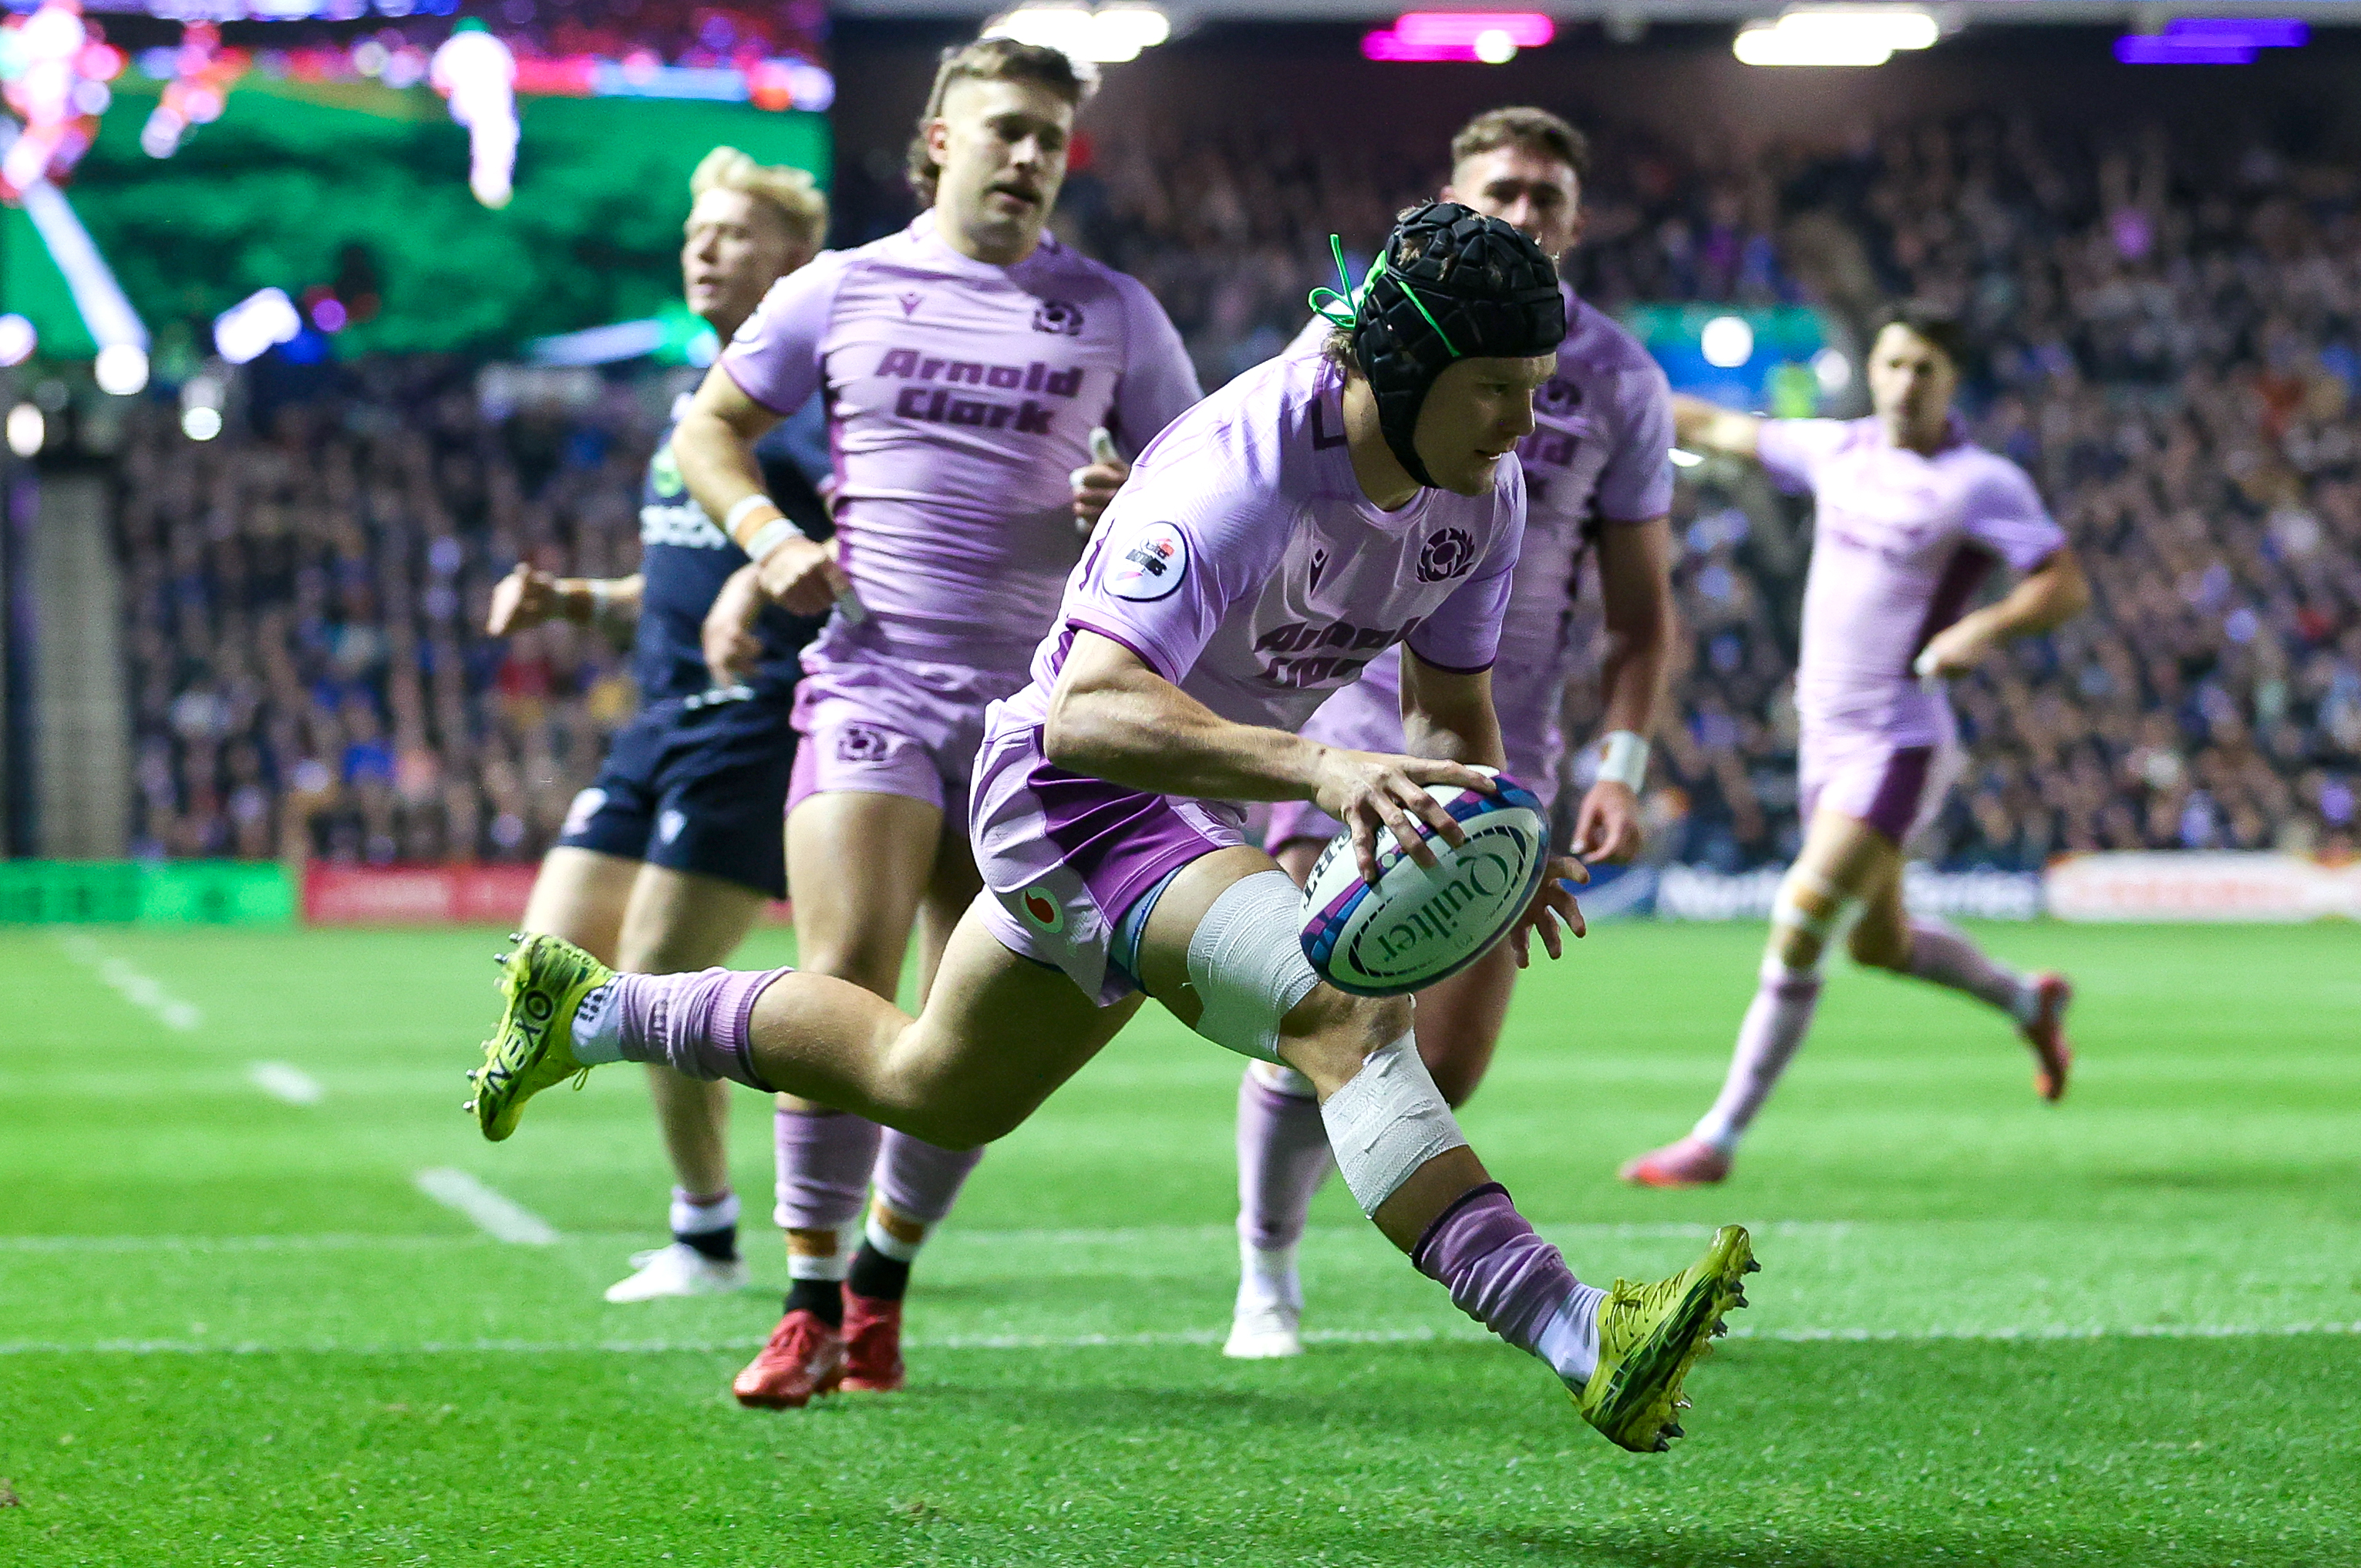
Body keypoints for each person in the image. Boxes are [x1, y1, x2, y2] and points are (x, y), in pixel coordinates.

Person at [467, 202, 1757, 1455]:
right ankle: (1583, 1333)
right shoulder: (1240, 462)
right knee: (1340, 1011)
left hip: (1193, 802)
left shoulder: (1483, 488)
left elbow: (1448, 709)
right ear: (1408, 366)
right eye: (1497, 390)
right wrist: (1318, 766)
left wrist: (1485, 841)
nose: (1526, 422)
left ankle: (585, 1010)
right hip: (1077, 791)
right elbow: (1087, 711)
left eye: (1536, 388)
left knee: (935, 1086)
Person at [677, 37, 1202, 1406]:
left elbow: (1206, 493)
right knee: (842, 979)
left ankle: (882, 1279)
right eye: (1006, 128)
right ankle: (806, 1301)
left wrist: (1133, 501)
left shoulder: (1112, 311)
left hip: (1040, 722)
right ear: (937, 142)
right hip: (875, 681)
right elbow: (708, 429)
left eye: (1050, 138)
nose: (1029, 155)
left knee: (972, 1033)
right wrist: (766, 539)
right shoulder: (838, 287)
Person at [1228, 106, 1677, 1360]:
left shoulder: (1620, 381)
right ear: (1452, 195)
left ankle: (1334, 1197)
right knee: (1326, 1008)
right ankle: (1266, 1267)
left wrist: (1621, 763)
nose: (1524, 212)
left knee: (1450, 1062)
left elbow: (1641, 616)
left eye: (1546, 196)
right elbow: (1259, 465)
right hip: (1349, 716)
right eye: (1501, 190)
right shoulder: (1363, 327)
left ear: (1577, 220)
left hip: (1495, 736)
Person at [1619, 306, 2090, 1188]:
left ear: (1950, 382)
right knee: (1880, 944)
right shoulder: (1835, 450)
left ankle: (1716, 1138)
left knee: (1800, 914)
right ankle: (2027, 1000)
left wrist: (1982, 628)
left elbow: (2062, 585)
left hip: (1896, 742)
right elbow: (1714, 426)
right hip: (1822, 740)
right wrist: (1604, 391)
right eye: (1892, 364)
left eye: (1924, 369)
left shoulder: (1979, 483)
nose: (1904, 383)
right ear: (1869, 370)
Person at [484, 146, 829, 1303]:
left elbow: (862, 546)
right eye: (696, 234)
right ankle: (746, 1173)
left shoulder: (812, 403)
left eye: (732, 234)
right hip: (656, 720)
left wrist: (762, 589)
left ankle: (711, 1233)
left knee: (657, 974)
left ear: (794, 261)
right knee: (546, 966)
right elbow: (676, 576)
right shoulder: (700, 403)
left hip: (753, 719)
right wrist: (574, 601)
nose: (704, 250)